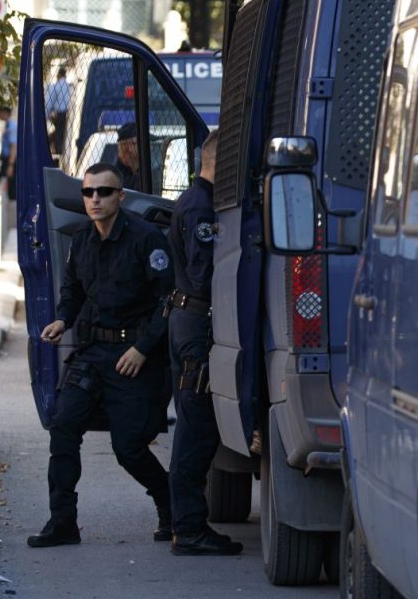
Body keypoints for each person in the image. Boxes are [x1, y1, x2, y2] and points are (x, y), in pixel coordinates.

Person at [27, 162, 174, 548]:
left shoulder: (146, 239)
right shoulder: (82, 240)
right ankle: (63, 522)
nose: (95, 199)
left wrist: (142, 349)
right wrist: (63, 319)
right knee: (63, 427)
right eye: (88, 192)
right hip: (92, 353)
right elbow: (73, 290)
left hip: (132, 356)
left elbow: (168, 302)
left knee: (128, 448)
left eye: (104, 192)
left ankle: (170, 504)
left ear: (120, 197)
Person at [165, 131, 242, 556]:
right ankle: (189, 527)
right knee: (195, 430)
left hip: (188, 322)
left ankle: (185, 523)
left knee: (194, 425)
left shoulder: (197, 200)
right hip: (197, 326)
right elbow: (204, 273)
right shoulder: (200, 207)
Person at [45, 66, 70, 155]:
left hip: (58, 113)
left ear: (58, 75)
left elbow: (49, 102)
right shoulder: (69, 86)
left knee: (58, 133)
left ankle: (57, 151)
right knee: (63, 133)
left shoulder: (55, 86)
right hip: (68, 113)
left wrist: (46, 115)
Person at [0, 106, 17, 201]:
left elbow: (13, 147)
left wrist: (10, 165)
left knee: (10, 185)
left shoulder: (11, 127)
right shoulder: (7, 125)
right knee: (2, 181)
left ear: (5, 113)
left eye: (0, 112)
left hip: (10, 160)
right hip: (6, 159)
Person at [116, 122, 141, 191]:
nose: (129, 149)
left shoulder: (151, 169)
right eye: (124, 144)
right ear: (118, 146)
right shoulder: (114, 174)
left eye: (133, 143)